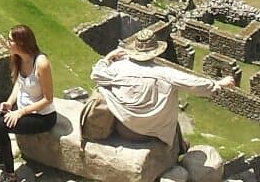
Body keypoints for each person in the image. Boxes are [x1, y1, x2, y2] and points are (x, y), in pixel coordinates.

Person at [83, 42, 235, 150]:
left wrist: (108, 57)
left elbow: (96, 74)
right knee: (172, 120)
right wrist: (218, 84)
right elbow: (194, 84)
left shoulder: (119, 67)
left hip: (124, 128)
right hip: (150, 133)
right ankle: (180, 148)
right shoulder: (165, 73)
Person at [0, 26, 56, 177]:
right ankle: (0, 156)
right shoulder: (19, 59)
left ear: (21, 43)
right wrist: (9, 103)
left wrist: (20, 112)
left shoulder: (41, 63)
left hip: (42, 116)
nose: (7, 43)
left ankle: (9, 174)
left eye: (10, 40)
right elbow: (19, 83)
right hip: (24, 110)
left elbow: (48, 99)